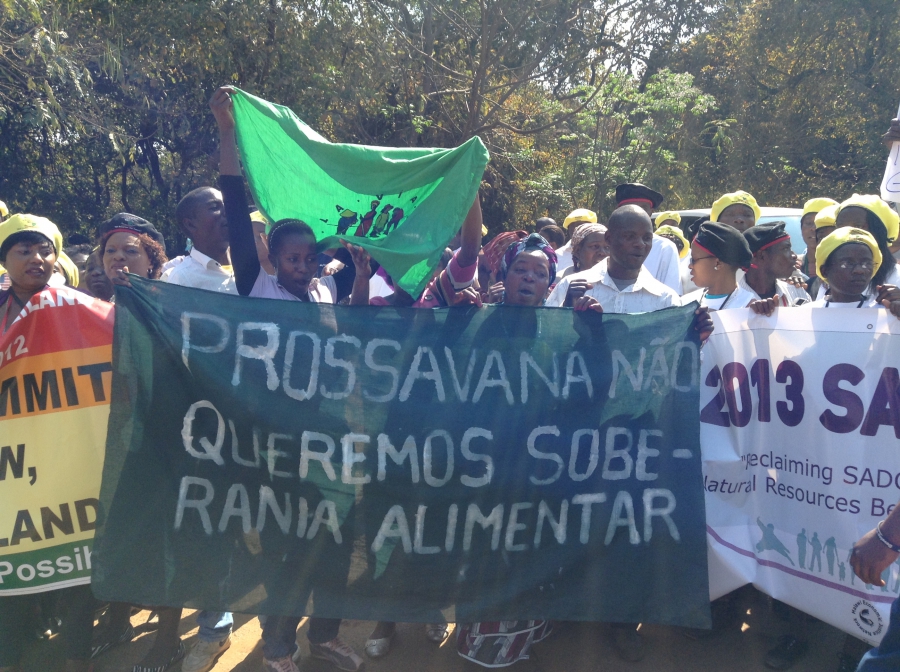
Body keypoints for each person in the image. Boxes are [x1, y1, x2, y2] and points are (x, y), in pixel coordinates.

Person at [212, 84, 369, 672]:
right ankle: (277, 645)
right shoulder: (256, 284)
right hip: (273, 433)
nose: (303, 266)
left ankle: (323, 634)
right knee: (284, 541)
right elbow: (233, 204)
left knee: (337, 532)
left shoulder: (325, 288)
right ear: (273, 257)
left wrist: (354, 277)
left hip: (327, 429)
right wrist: (228, 134)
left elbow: (350, 341)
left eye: (309, 256)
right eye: (293, 258)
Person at [364, 195, 484, 659]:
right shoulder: (373, 287)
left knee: (437, 521)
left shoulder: (446, 279)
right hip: (393, 424)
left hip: (446, 424)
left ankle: (432, 608)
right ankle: (385, 619)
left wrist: (468, 187)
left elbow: (472, 248)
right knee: (393, 521)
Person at [0, 214, 97, 672]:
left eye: (45, 251)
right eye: (24, 251)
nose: (36, 259)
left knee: (80, 566)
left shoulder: (79, 306)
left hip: (70, 461)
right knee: (12, 570)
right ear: (5, 260)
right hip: (14, 469)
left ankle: (77, 658)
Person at [546, 205, 680, 313]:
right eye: (629, 236)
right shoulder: (568, 287)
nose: (640, 244)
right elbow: (546, 340)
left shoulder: (666, 300)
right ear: (609, 238)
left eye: (647, 238)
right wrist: (567, 311)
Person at [164, 186, 236, 295]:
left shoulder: (254, 265)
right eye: (214, 207)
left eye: (227, 205)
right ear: (190, 224)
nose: (227, 211)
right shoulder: (181, 279)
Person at [614, 183, 682, 293]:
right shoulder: (605, 243)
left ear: (651, 212)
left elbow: (672, 294)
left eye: (642, 209)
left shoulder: (665, 248)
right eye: (629, 208)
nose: (636, 214)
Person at [811, 228, 900, 309]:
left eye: (867, 263)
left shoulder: (886, 311)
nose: (859, 270)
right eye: (847, 263)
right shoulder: (805, 314)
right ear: (825, 271)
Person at [832, 194, 900, 295]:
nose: (848, 233)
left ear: (879, 231)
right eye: (841, 227)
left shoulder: (897, 278)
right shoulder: (831, 281)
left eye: (858, 226)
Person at [740, 222, 810, 314]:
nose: (794, 255)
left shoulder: (797, 292)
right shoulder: (733, 300)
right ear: (762, 256)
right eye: (785, 248)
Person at [682, 222, 755, 310]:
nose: (690, 266)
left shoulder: (749, 307)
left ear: (718, 263)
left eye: (693, 260)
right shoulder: (686, 303)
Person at [798, 198, 838, 287]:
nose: (813, 228)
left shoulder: (843, 267)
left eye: (820, 224)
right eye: (808, 223)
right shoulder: (792, 266)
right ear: (801, 228)